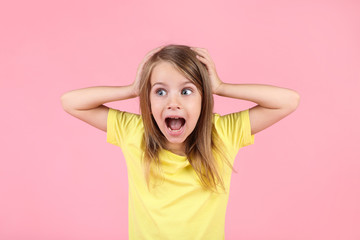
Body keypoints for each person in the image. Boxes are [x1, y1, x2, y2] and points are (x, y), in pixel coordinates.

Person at [61, 44, 300, 239]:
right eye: (160, 91)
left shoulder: (222, 134)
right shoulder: (134, 132)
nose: (172, 103)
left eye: (186, 91)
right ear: (148, 99)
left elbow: (288, 100)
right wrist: (133, 89)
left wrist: (220, 87)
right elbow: (70, 102)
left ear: (203, 99)